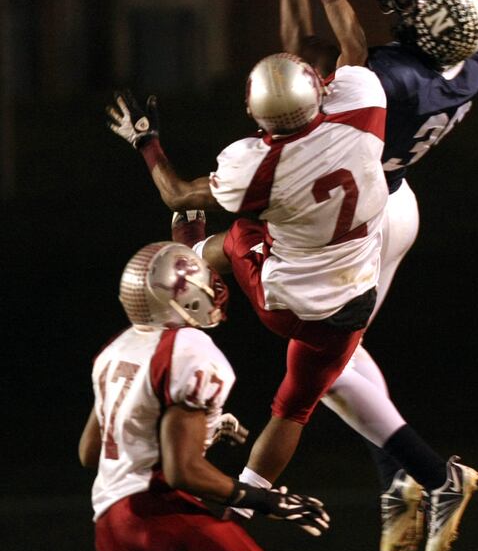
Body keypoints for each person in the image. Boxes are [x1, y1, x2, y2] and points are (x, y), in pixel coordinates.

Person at [277, 0, 478, 551]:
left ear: (422, 33)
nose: (403, 0)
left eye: (411, 8)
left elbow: (323, 41)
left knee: (325, 362)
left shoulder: (387, 81)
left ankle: (430, 472)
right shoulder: (474, 51)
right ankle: (396, 472)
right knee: (342, 354)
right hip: (397, 205)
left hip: (359, 222)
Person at [106, 45, 391, 511]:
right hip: (350, 301)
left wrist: (147, 142)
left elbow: (177, 194)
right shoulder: (363, 102)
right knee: (294, 409)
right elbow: (353, 47)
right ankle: (246, 499)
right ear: (319, 90)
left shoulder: (256, 162)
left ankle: (191, 257)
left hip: (281, 300)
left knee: (242, 232)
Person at [78, 241, 329, 551]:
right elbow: (183, 471)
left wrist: (201, 432)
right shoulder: (188, 347)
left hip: (111, 534)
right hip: (158, 517)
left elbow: (90, 452)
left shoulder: (116, 348)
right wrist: (265, 499)